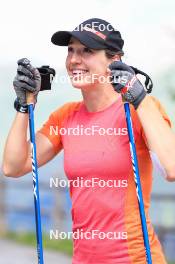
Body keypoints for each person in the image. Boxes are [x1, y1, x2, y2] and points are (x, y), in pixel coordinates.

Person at [2, 18, 175, 264]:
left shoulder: (139, 110)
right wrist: (23, 105)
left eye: (88, 51)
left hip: (135, 258)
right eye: (71, 50)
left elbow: (171, 168)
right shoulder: (65, 116)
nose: (74, 60)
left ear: (115, 62)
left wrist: (138, 95)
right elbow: (13, 166)